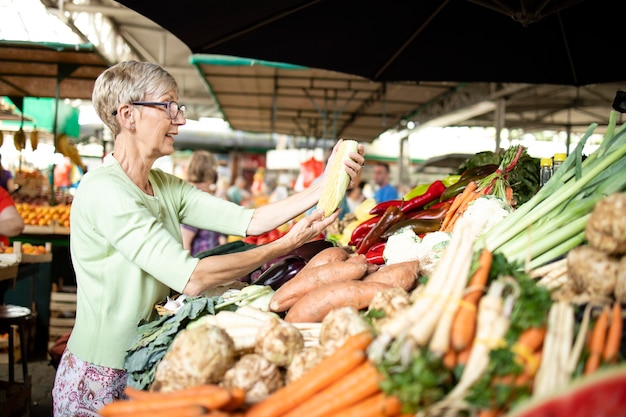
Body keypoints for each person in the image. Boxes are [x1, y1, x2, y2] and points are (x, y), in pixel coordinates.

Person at [51, 60, 365, 416]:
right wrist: (285, 245)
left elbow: (251, 219)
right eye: (168, 106)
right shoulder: (105, 190)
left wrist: (324, 184)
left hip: (145, 360)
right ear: (128, 115)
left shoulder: (164, 186)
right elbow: (192, 278)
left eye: (178, 107)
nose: (180, 119)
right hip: (100, 372)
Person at [180, 150, 227, 256]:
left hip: (209, 263)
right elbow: (184, 242)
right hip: (200, 265)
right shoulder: (194, 199)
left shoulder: (198, 194)